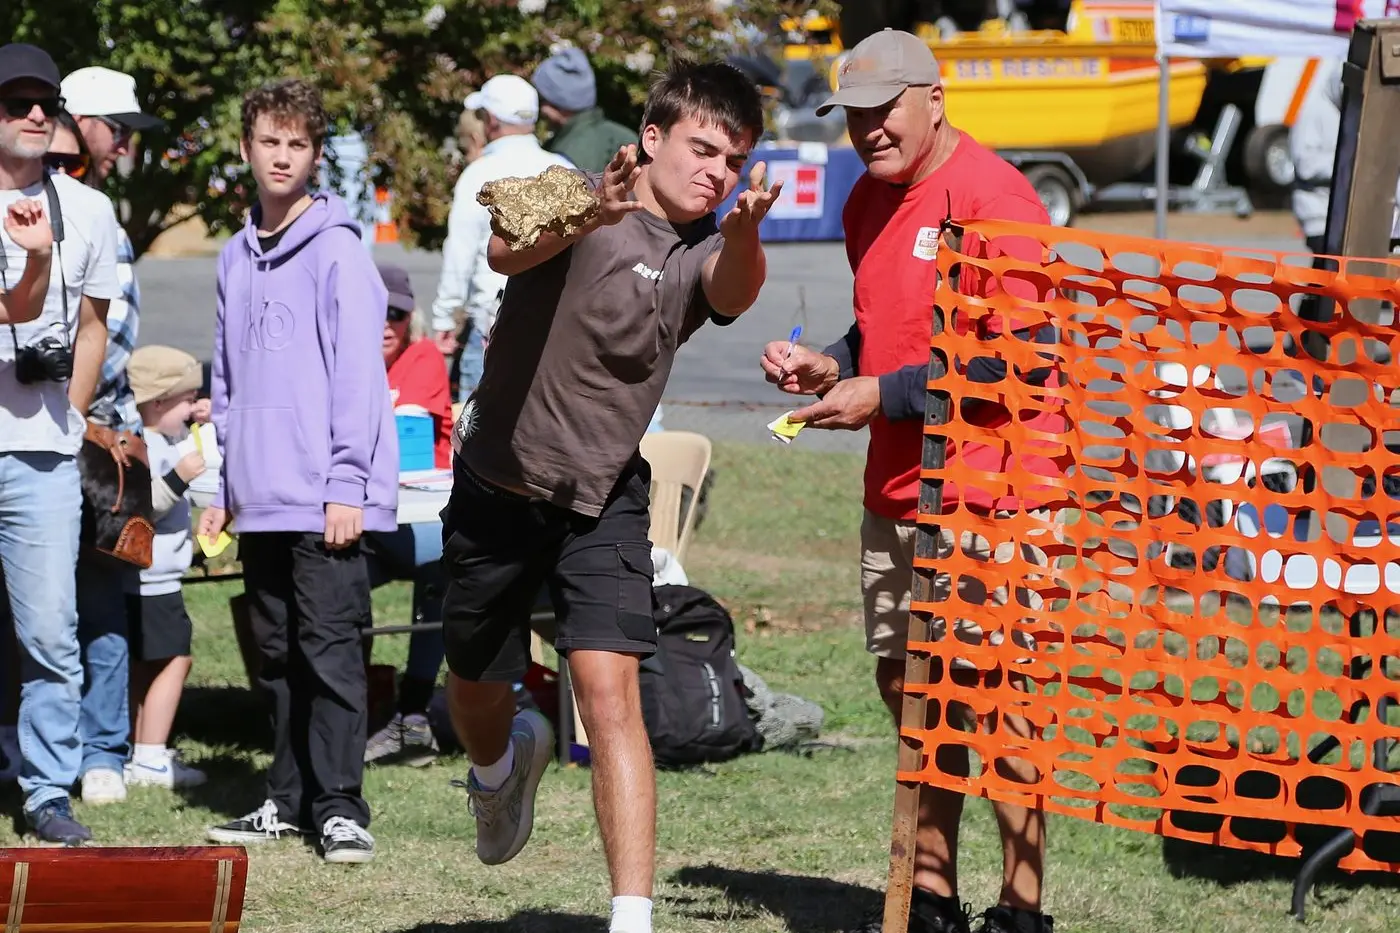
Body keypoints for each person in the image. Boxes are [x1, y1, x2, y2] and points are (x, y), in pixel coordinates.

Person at [441, 58, 779, 933]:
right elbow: (505, 249)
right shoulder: (577, 191)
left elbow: (733, 287)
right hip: (496, 485)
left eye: (733, 160)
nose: (716, 171)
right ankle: (499, 769)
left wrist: (742, 230)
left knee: (610, 693)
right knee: (475, 687)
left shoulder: (703, 247)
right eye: (703, 149)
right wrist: (595, 205)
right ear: (652, 137)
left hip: (601, 499)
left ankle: (632, 918)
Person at [759, 30, 1058, 933]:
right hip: (897, 488)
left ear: (935, 96)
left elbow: (1016, 360)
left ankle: (1022, 907)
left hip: (993, 492)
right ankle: (931, 894)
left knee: (995, 696)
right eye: (854, 116)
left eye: (884, 110)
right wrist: (831, 365)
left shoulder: (998, 199)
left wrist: (877, 394)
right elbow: (884, 331)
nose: (869, 131)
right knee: (911, 689)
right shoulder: (865, 202)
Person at [198, 77, 396, 864]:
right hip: (260, 497)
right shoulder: (231, 258)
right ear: (246, 149)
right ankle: (285, 799)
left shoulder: (341, 251)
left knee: (331, 650)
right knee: (275, 658)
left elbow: (357, 376)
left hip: (326, 500)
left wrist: (346, 482)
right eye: (269, 141)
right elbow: (225, 382)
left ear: (316, 156)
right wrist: (223, 487)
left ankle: (341, 807)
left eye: (297, 144)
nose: (282, 156)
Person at [0, 42, 122, 845]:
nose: (38, 114)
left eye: (48, 101)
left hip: (42, 451)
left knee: (49, 629)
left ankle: (48, 789)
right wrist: (37, 261)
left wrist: (70, 417)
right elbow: (14, 310)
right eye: (19, 101)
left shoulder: (93, 213)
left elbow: (92, 329)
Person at [58, 65, 164, 806]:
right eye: (115, 125)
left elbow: (116, 336)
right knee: (30, 600)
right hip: (51, 428)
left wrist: (58, 406)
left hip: (92, 439)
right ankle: (39, 741)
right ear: (80, 122)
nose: (124, 139)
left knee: (100, 593)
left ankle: (100, 749)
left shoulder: (100, 213)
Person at [430, 74, 573, 401]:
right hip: (552, 331)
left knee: (478, 439)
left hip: (490, 330)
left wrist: (444, 316)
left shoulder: (480, 173)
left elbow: (460, 254)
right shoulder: (562, 168)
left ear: (491, 120)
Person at [362, 261, 451, 767]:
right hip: (371, 524)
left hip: (422, 519)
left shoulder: (422, 358)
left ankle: (412, 711)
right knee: (330, 571)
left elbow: (398, 434)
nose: (384, 325)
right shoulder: (344, 356)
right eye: (375, 311)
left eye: (395, 314)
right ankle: (348, 710)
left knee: (442, 566)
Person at [124, 344, 208, 790]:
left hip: (147, 578)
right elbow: (142, 508)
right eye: (188, 399)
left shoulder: (162, 439)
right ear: (158, 402)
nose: (195, 409)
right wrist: (180, 477)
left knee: (145, 663)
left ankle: (138, 748)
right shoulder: (151, 449)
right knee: (176, 659)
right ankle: (152, 757)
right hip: (152, 578)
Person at [532, 47, 638, 174]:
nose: (541, 109)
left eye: (542, 98)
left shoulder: (565, 155)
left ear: (557, 103)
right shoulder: (625, 137)